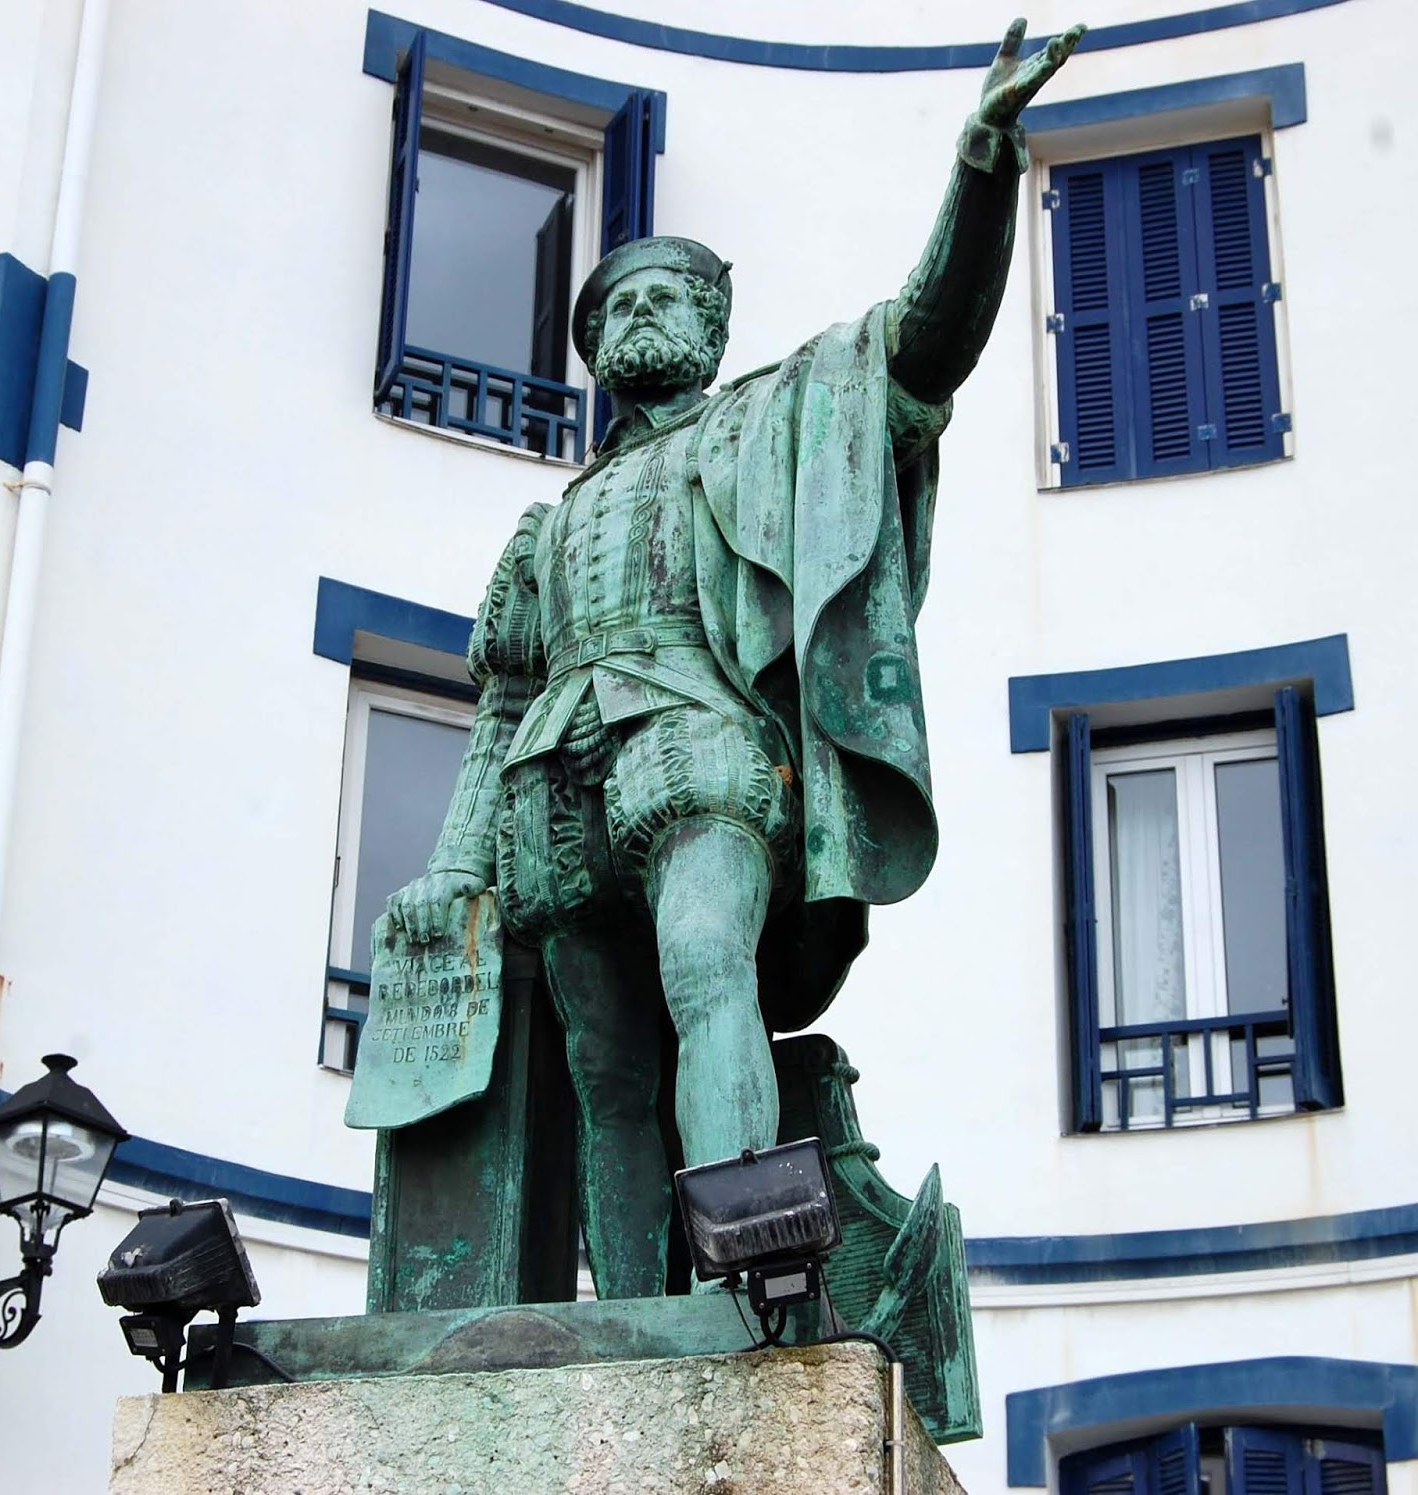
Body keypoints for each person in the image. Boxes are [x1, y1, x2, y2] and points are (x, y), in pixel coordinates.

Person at [386, 19, 1084, 1298]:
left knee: (708, 975)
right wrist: (448, 864)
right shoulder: (540, 528)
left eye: (670, 297)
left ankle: (742, 1276)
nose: (644, 314)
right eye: (620, 304)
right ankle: (643, 1315)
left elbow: (927, 340)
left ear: (711, 332)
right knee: (604, 1068)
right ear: (592, 351)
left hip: (696, 746)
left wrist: (982, 165)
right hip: (553, 782)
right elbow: (496, 708)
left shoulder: (777, 414)